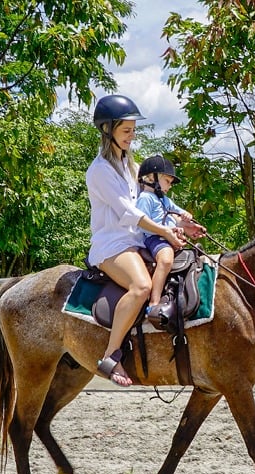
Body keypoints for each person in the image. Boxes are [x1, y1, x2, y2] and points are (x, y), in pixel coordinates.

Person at [86, 95, 187, 387]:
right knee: (141, 285)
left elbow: (151, 199)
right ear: (108, 130)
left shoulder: (131, 164)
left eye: (133, 129)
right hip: (112, 245)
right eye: (126, 130)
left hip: (136, 239)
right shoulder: (100, 171)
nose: (133, 135)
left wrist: (177, 224)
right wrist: (164, 232)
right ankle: (110, 356)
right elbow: (128, 213)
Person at [135, 155, 206, 327]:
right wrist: (165, 232)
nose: (169, 186)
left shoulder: (164, 199)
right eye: (167, 180)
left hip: (168, 237)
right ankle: (154, 302)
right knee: (166, 260)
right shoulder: (145, 198)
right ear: (151, 178)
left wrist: (188, 219)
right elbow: (142, 224)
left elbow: (178, 213)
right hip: (155, 239)